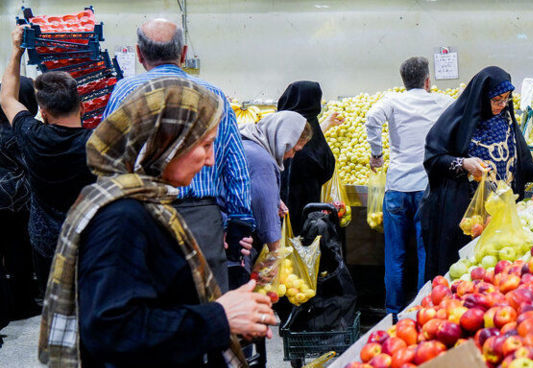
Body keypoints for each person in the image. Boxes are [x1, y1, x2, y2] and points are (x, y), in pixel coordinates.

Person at [38, 76, 277, 368]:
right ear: (163, 144)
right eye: (203, 144)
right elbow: (111, 327)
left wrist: (229, 315)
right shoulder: (121, 219)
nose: (210, 157)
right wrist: (218, 317)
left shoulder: (148, 203)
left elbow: (153, 302)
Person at [104, 18, 253, 291]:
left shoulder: (124, 93)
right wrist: (239, 223)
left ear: (139, 54)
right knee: (207, 312)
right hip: (204, 224)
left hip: (143, 219)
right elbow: (235, 164)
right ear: (183, 53)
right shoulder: (214, 96)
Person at [422, 66, 533, 278]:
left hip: (499, 216)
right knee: (462, 272)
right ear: (482, 97)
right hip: (464, 218)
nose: (502, 105)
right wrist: (464, 163)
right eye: (497, 99)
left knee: (495, 273)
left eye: (506, 99)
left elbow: (522, 163)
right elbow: (434, 158)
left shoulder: (506, 121)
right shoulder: (458, 121)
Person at [1, 27, 96, 297]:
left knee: (55, 309)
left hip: (47, 244)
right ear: (84, 107)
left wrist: (16, 50)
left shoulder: (31, 134)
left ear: (43, 111)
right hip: (90, 239)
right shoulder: (99, 142)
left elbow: (7, 98)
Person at [365, 57, 453, 315]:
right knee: (426, 253)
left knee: (395, 256)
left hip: (397, 189)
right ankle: (420, 310)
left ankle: (393, 312)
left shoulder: (392, 101)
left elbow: (371, 118)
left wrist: (376, 154)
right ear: (428, 80)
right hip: (427, 188)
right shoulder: (442, 102)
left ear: (403, 81)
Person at [276, 81, 343, 235]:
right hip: (306, 201)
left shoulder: (277, 123)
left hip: (276, 203)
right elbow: (325, 163)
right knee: (303, 242)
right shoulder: (307, 124)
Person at [240, 111, 311, 255]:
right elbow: (265, 211)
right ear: (283, 139)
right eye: (293, 149)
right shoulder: (262, 160)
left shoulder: (245, 143)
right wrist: (275, 253)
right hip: (239, 241)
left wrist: (274, 200)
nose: (291, 156)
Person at [0, 75, 39, 322]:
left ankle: (7, 305)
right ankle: (23, 303)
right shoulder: (22, 130)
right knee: (20, 251)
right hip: (19, 200)